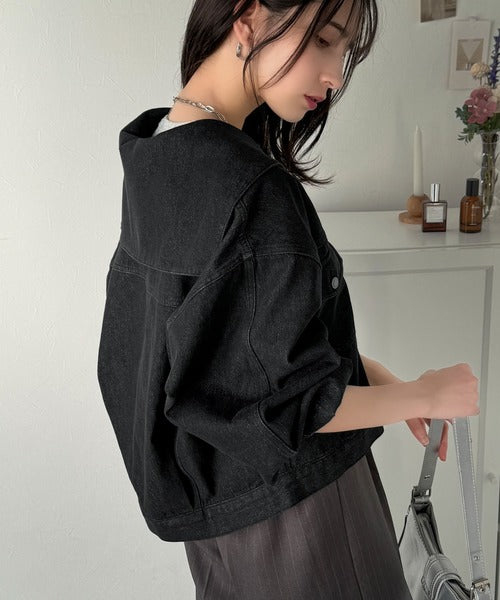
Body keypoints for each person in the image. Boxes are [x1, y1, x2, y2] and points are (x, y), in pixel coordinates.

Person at [97, 0, 480, 598]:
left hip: (221, 522)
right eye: (325, 39)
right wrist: (426, 393)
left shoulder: (158, 152)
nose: (335, 77)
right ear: (248, 19)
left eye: (345, 52)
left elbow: (237, 355)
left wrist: (381, 380)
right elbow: (293, 407)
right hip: (303, 514)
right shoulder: (255, 192)